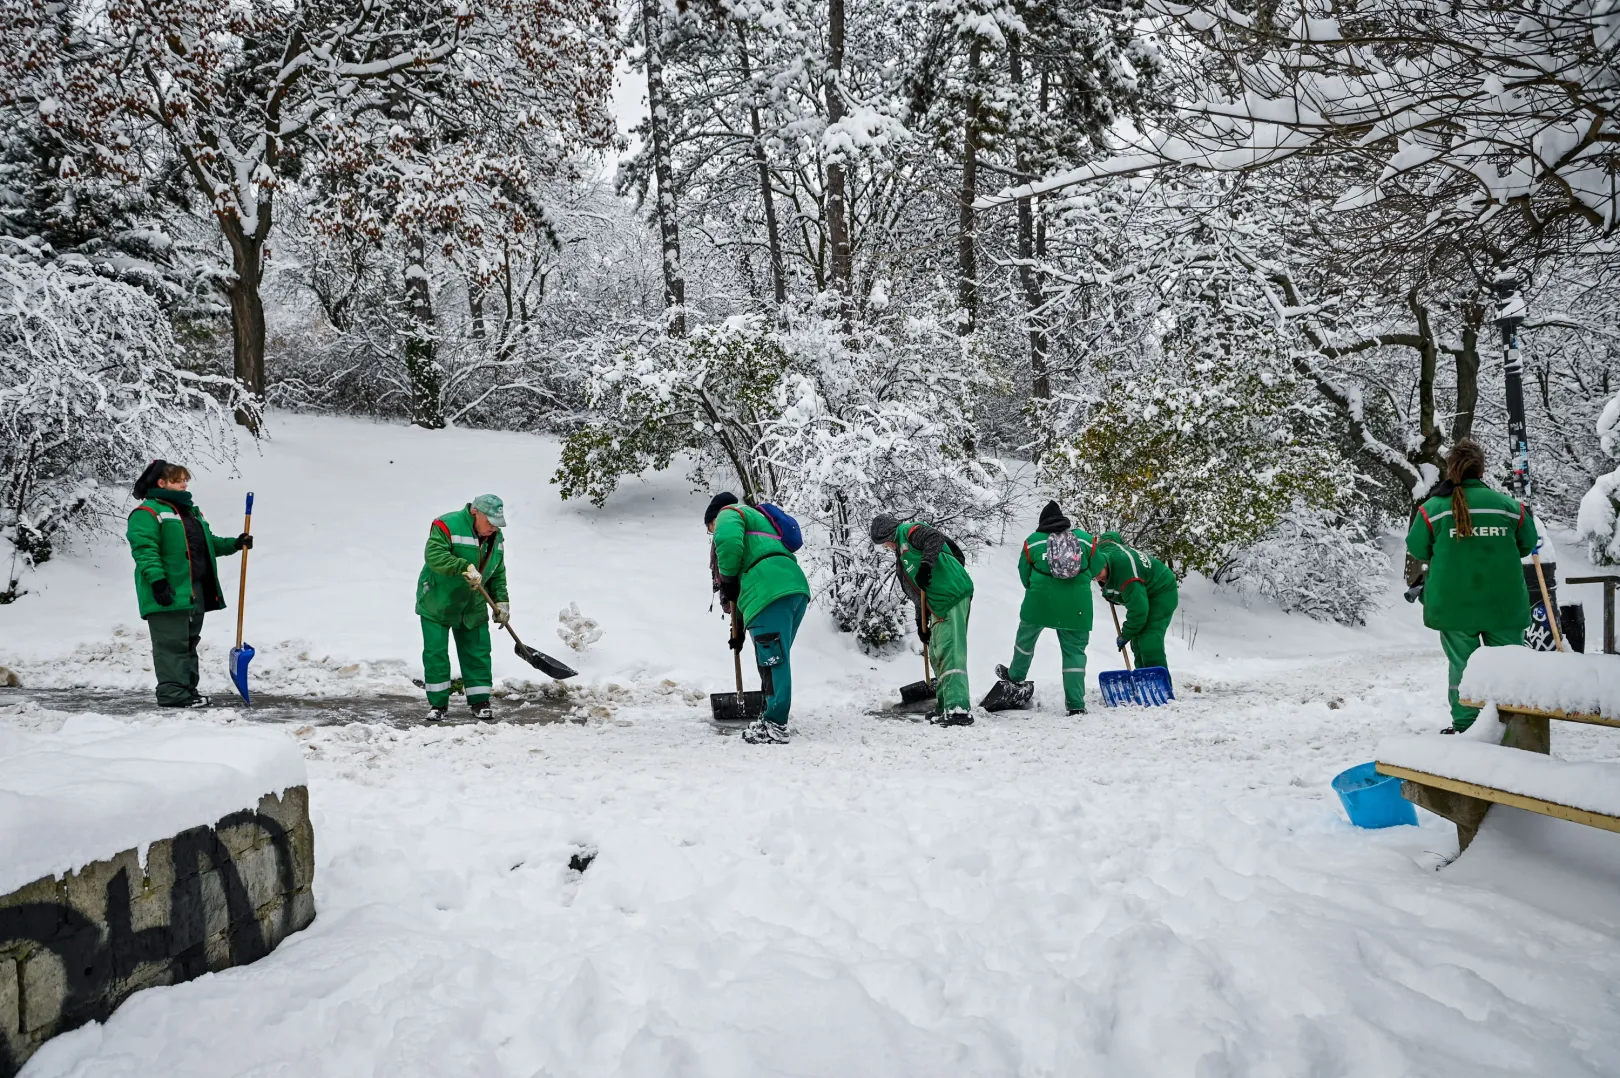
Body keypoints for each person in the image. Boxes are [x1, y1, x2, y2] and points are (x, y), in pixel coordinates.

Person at [1406, 438, 1539, 733]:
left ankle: (1466, 725)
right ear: (1482, 470)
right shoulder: (1510, 508)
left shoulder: (1433, 509)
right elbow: (1527, 545)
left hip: (1453, 605)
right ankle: (1511, 724)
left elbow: (1417, 548)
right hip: (1503, 604)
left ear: (1451, 469)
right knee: (1508, 668)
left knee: (1461, 667)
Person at [126, 460, 251, 707]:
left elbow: (208, 544)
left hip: (194, 591)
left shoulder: (190, 512)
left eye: (185, 480)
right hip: (168, 591)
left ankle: (187, 691)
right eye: (177, 480)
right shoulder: (148, 513)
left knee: (188, 644)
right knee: (171, 645)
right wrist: (158, 581)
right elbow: (145, 550)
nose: (184, 484)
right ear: (161, 483)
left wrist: (235, 544)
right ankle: (173, 695)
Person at [707, 493, 812, 745]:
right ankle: (770, 717)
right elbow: (743, 587)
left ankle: (776, 725)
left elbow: (728, 544)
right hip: (791, 588)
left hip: (769, 589)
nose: (712, 534)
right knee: (773, 658)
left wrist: (728, 579)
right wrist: (739, 633)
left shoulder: (729, 514)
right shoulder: (758, 522)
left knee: (773, 660)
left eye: (709, 529)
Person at [871, 513, 975, 726]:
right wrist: (921, 623)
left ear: (888, 534)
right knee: (937, 652)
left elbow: (934, 539)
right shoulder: (903, 557)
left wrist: (927, 565)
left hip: (951, 594)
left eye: (884, 543)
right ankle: (945, 705)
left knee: (950, 649)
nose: (886, 547)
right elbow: (919, 592)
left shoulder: (909, 532)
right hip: (935, 603)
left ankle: (958, 710)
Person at [994, 501, 1095, 715]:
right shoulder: (1085, 540)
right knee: (1074, 653)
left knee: (1025, 639)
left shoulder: (1032, 542)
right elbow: (1097, 567)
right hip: (1077, 606)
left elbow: (1024, 576)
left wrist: (1041, 589)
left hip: (1039, 602)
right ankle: (1076, 705)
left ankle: (1016, 677)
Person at [416, 495, 510, 722]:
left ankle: (480, 702)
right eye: (490, 521)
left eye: (498, 523)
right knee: (436, 654)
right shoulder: (447, 525)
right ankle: (438, 704)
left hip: (473, 602)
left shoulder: (495, 537)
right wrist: (463, 566)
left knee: (477, 651)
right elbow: (434, 555)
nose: (493, 527)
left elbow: (497, 573)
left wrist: (501, 601)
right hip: (438, 599)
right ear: (475, 512)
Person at [1091, 531, 1179, 684]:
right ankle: (1143, 680)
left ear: (1105, 564)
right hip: (1143, 590)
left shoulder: (1128, 577)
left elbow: (1139, 612)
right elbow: (1111, 536)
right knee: (1137, 641)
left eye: (1099, 573)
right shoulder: (1104, 549)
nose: (1098, 578)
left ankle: (1160, 685)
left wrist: (1125, 634)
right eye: (1095, 576)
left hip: (1162, 591)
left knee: (1149, 639)